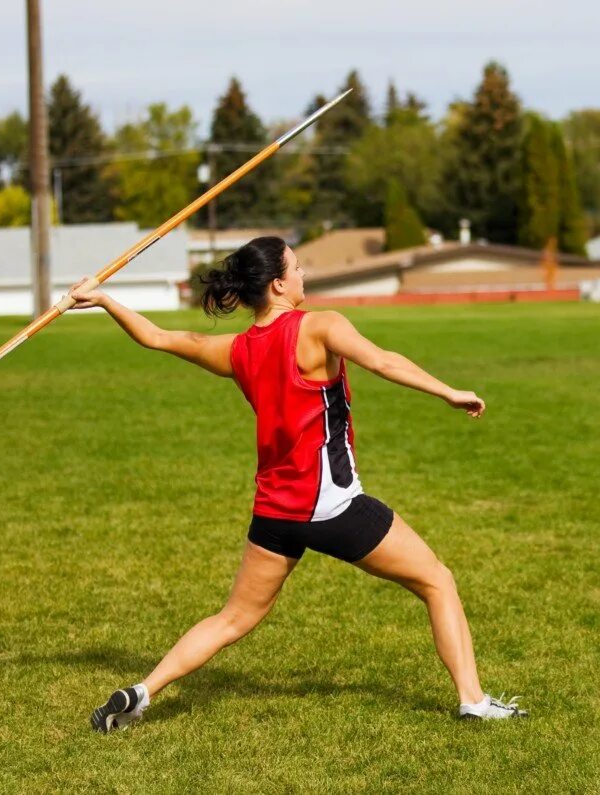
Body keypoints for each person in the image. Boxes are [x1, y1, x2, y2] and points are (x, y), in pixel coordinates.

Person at [75, 236, 527, 732]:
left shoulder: (238, 349)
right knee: (437, 581)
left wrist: (103, 299)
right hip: (333, 507)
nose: (304, 274)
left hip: (274, 513)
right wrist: (448, 391)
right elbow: (383, 361)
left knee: (232, 620)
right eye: (297, 267)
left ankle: (141, 692)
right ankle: (473, 700)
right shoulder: (320, 326)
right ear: (278, 283)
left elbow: (158, 338)